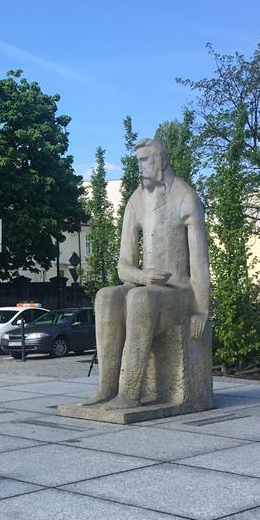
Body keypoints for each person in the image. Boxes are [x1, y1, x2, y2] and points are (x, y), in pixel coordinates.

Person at [82, 138, 210, 409]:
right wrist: (144, 277)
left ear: (161, 161)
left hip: (180, 294)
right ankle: (107, 387)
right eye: (138, 161)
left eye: (145, 160)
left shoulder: (186, 198)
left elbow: (200, 263)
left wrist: (201, 311)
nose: (140, 167)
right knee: (105, 297)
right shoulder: (136, 201)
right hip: (147, 286)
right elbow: (123, 267)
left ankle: (129, 393)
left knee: (140, 299)